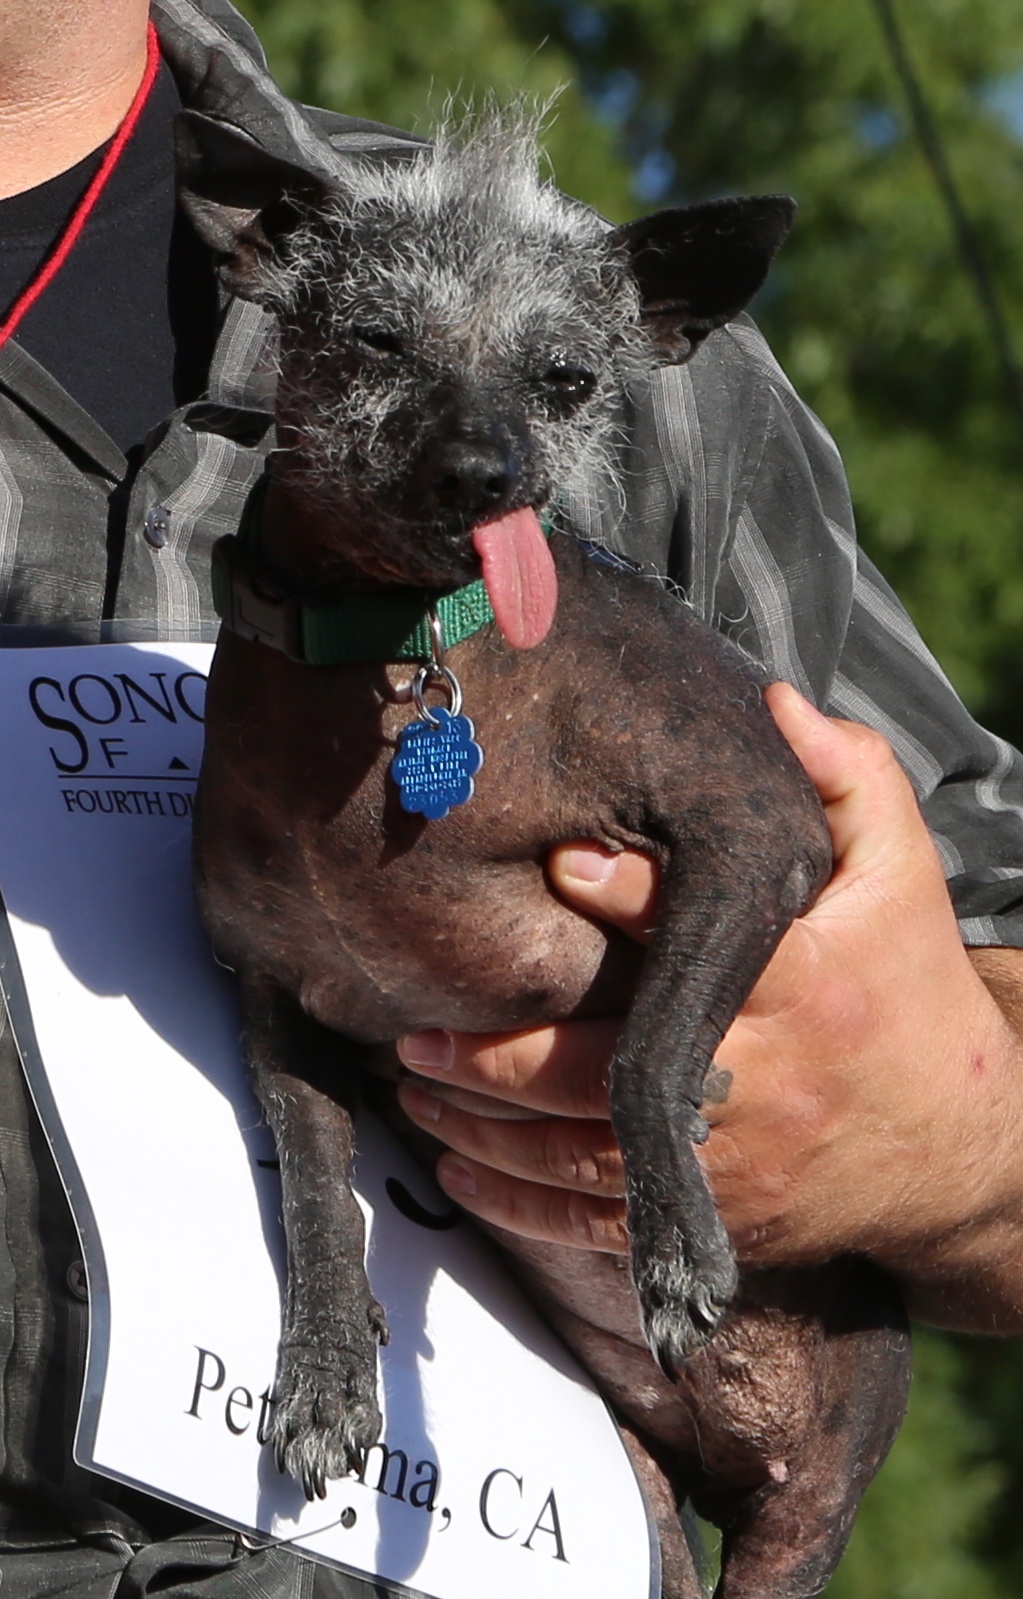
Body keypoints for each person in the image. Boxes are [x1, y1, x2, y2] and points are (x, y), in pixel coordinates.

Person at [1, 0, 1023, 1594]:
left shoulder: (637, 360)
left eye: (546, 393)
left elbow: (984, 941)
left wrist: (953, 1132)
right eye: (391, 361)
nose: (488, 445)